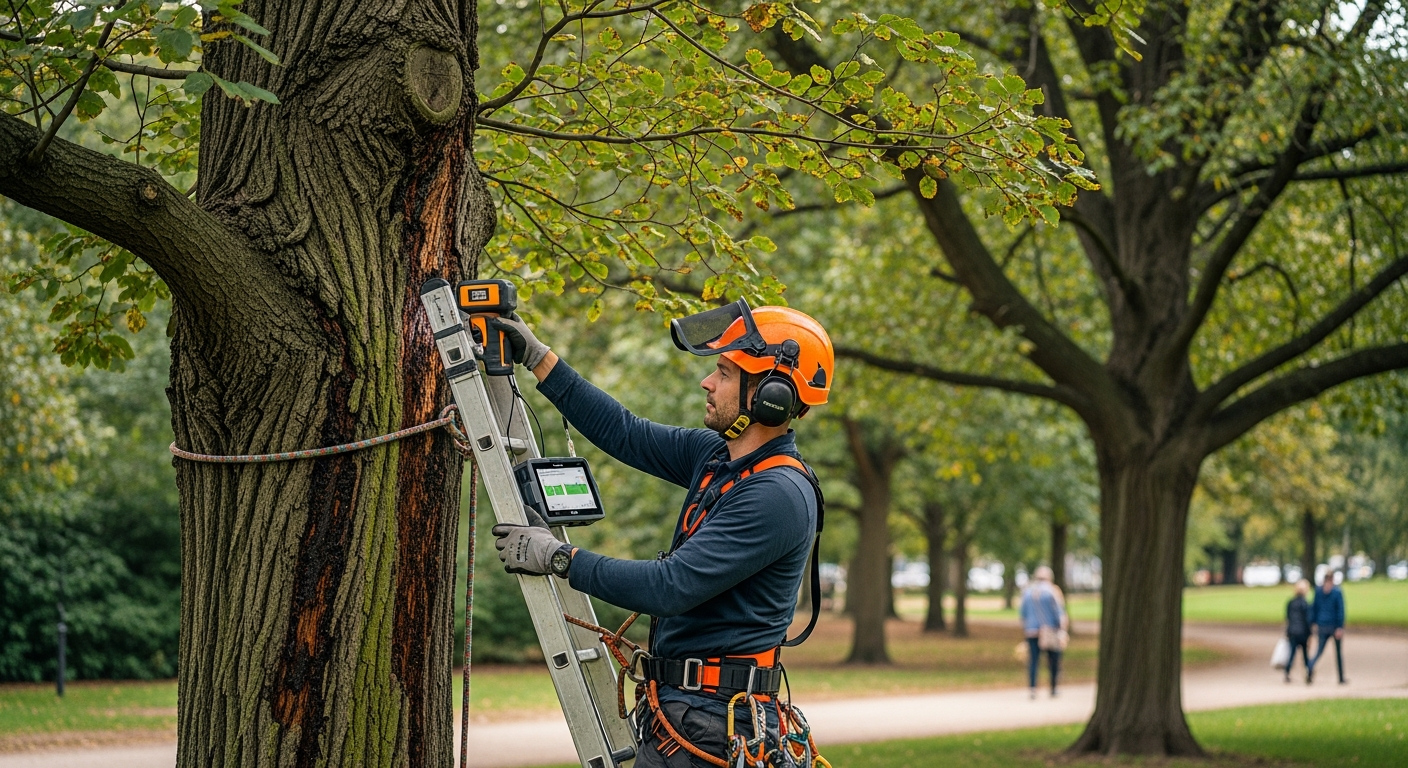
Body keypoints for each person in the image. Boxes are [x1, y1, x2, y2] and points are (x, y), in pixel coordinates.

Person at [488, 300, 832, 767]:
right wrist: (539, 359)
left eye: (725, 373)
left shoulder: (777, 495)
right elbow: (627, 433)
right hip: (691, 713)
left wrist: (560, 558)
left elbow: (669, 588)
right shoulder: (718, 458)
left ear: (772, 395)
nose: (707, 382)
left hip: (712, 724)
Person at [1019, 565, 1067, 699]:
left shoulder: (1027, 592)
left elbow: (1023, 614)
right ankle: (1053, 688)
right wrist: (1062, 630)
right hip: (1050, 631)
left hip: (1031, 631)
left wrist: (1027, 628)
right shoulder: (1052, 591)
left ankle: (1033, 688)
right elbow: (1059, 612)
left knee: (1033, 660)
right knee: (1053, 660)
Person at [1307, 571, 1347, 684]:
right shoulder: (1337, 592)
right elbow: (1340, 610)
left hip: (1322, 625)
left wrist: (1313, 623)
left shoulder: (1318, 591)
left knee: (1319, 650)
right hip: (1333, 626)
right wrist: (1340, 626)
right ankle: (1341, 677)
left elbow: (1314, 608)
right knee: (1337, 653)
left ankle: (1310, 666)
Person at [1283, 579, 1311, 683]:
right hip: (1303, 632)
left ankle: (1287, 671)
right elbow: (1307, 620)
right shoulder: (1305, 603)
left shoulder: (1290, 602)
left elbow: (1288, 618)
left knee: (1292, 653)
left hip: (1292, 632)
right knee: (1305, 655)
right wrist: (1310, 634)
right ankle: (1308, 671)